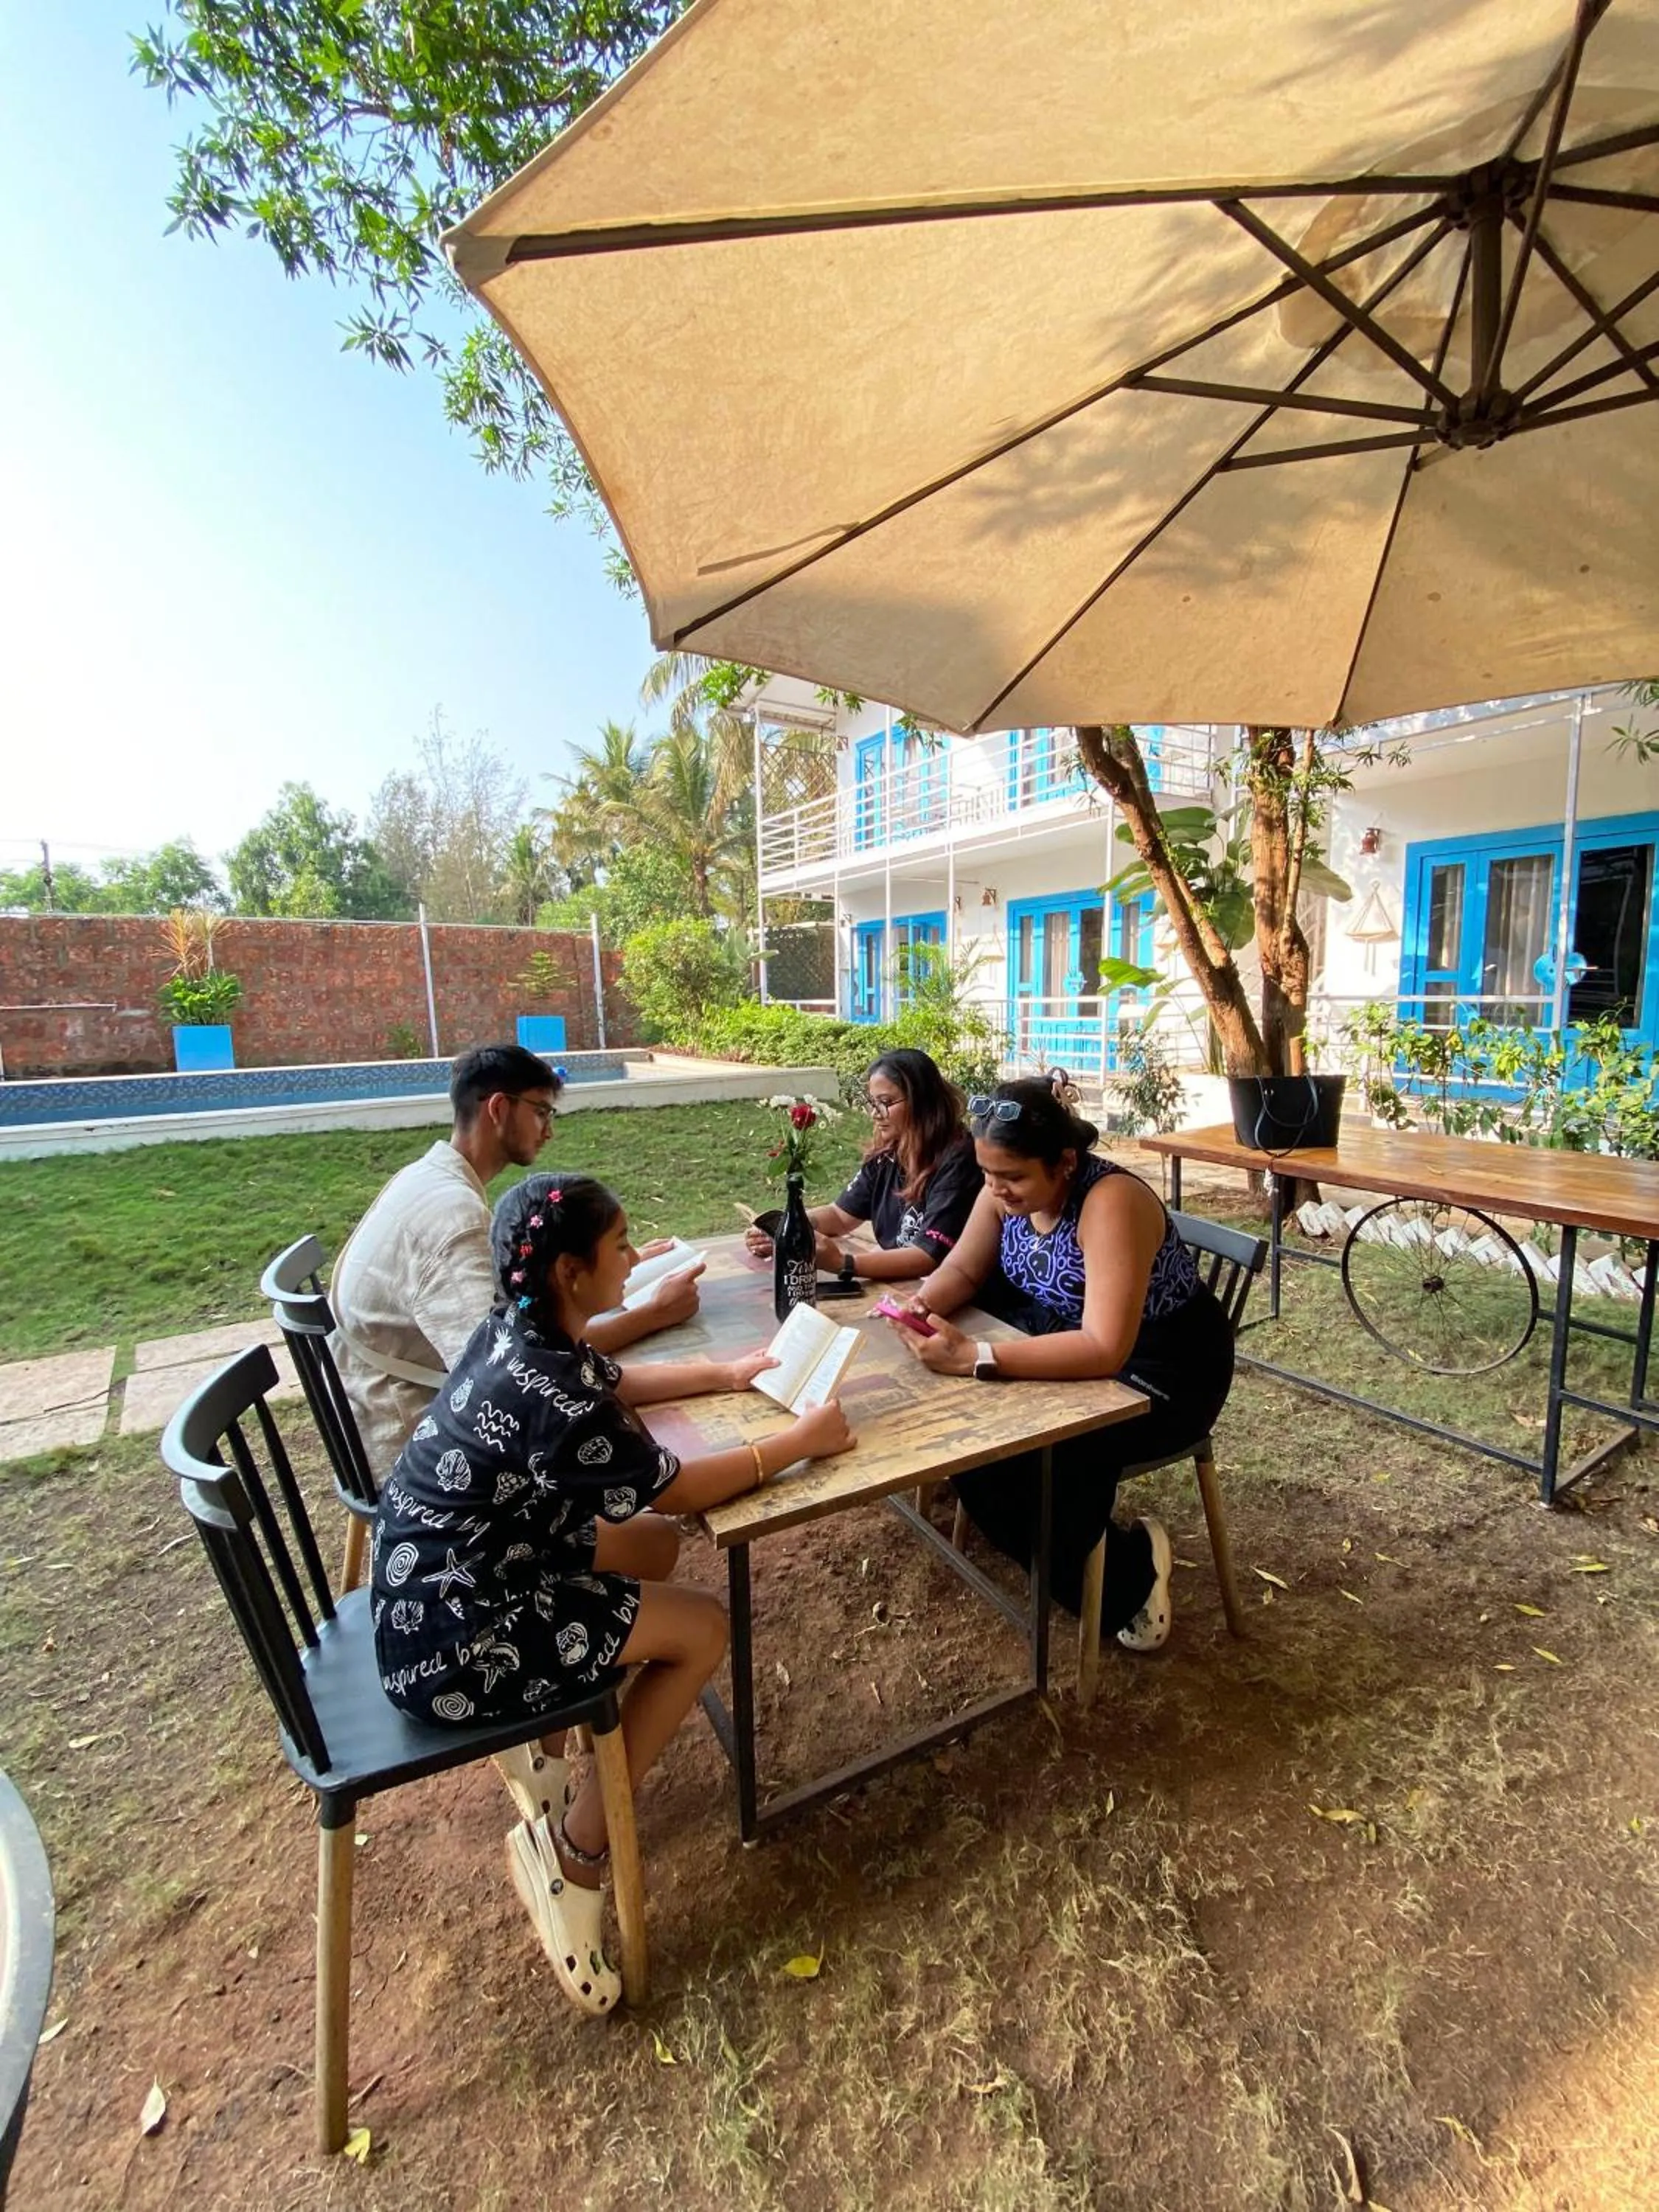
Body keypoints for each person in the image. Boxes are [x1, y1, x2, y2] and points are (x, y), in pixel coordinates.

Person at [372, 1170, 855, 2015]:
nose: (633, 1258)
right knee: (704, 1629)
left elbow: (612, 1385)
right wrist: (799, 1443)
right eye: (621, 1245)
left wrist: (726, 1373)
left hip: (441, 1577)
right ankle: (574, 1855)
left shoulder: (519, 1334)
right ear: (570, 1271)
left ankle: (554, 1737)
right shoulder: (557, 1398)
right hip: (457, 1641)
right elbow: (680, 1485)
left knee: (656, 1548)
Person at [882, 1076, 1234, 1651]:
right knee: (977, 1441)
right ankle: (1087, 1560)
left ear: (1065, 1162)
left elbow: (1104, 1347)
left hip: (1164, 1367)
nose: (997, 1189)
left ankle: (1127, 1580)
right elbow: (964, 1269)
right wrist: (922, 1305)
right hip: (1069, 1336)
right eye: (987, 1173)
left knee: (1047, 1456)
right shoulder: (1000, 1189)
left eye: (1013, 1177)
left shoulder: (1110, 1202)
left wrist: (978, 1357)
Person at [331, 1043, 703, 1476]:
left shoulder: (428, 1177)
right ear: (499, 1108)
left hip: (398, 1398)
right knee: (636, 1442)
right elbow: (514, 1363)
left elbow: (518, 1316)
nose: (549, 1131)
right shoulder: (455, 1219)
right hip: (412, 1440)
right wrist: (654, 1314)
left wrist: (617, 1261)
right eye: (542, 1112)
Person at [744, 1048, 983, 1284]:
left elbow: (927, 1257)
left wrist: (843, 1263)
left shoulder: (958, 1159)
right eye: (873, 1103)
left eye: (886, 1102)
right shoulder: (887, 1153)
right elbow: (840, 1216)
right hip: (906, 1286)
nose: (875, 1114)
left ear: (923, 1101)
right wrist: (790, 1226)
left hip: (951, 1292)